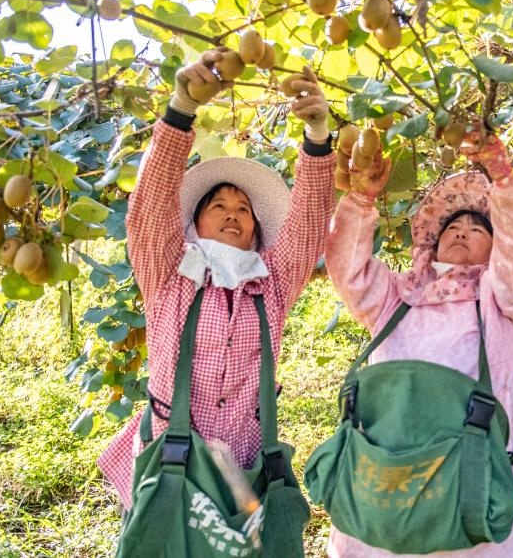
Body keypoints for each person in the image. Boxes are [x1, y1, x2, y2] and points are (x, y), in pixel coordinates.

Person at [98, 49, 336, 509]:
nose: (233, 214)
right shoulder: (169, 271)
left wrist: (318, 135)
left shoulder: (272, 281)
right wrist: (181, 109)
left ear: (256, 228)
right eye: (219, 206)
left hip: (244, 460)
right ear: (194, 224)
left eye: (243, 208)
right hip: (168, 456)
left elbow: (308, 223)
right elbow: (149, 207)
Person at [322, 132, 513, 556]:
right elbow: (347, 268)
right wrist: (360, 202)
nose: (462, 231)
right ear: (433, 240)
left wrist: (502, 178)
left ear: (495, 245)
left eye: (477, 228)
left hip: (472, 484)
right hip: (390, 477)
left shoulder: (506, 298)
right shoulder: (396, 295)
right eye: (454, 226)